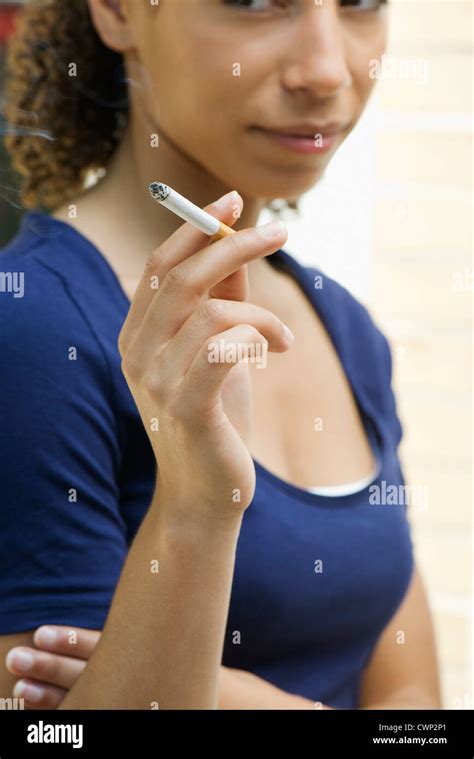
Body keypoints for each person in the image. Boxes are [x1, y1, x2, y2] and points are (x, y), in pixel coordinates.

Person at [0, 0, 441, 709]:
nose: (325, 70)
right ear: (116, 11)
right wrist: (198, 507)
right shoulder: (31, 332)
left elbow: (414, 695)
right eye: (256, 0)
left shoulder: (346, 327)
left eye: (361, 2)